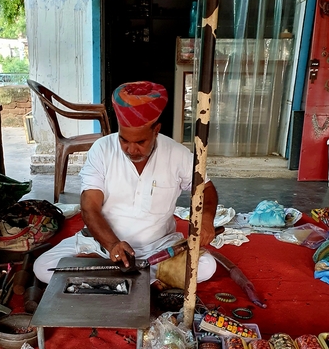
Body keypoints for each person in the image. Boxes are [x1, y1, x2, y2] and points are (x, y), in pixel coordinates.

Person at [33, 81, 218, 284]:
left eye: (140, 142)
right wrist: (112, 244)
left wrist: (207, 218)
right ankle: (144, 280)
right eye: (124, 140)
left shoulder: (177, 154)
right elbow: (89, 208)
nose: (130, 149)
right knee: (43, 267)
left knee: (206, 267)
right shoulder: (102, 149)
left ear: (156, 130)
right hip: (102, 244)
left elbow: (206, 189)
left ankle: (108, 277)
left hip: (157, 248)